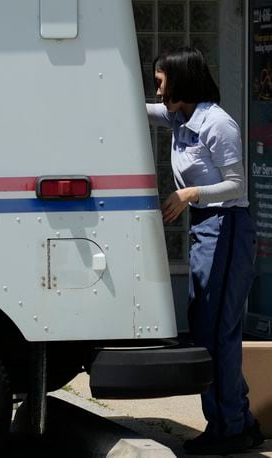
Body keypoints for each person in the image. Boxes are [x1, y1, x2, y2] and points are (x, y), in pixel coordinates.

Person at [147, 47, 266, 455]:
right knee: (208, 329)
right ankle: (239, 422)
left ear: (179, 81)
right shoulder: (178, 116)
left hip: (226, 226)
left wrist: (189, 193)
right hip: (206, 227)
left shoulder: (217, 124)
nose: (157, 88)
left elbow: (236, 186)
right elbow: (135, 108)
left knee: (217, 333)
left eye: (161, 80)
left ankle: (229, 430)